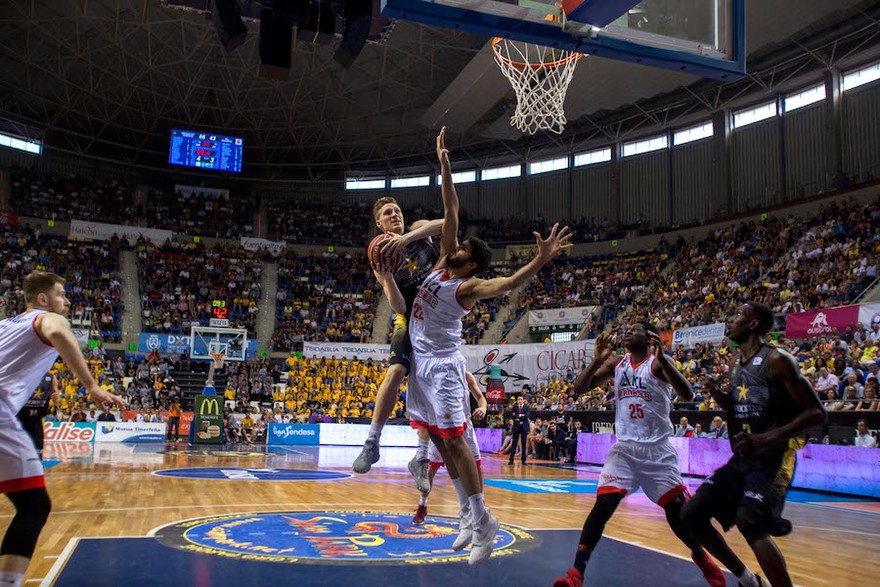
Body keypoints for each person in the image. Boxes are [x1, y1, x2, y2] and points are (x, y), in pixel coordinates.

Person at [406, 126, 571, 565]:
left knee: (457, 443)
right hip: (421, 366)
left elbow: (511, 282)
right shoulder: (442, 262)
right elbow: (452, 206)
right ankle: (466, 513)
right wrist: (443, 164)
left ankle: (484, 521)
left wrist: (541, 257)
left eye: (460, 247)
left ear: (471, 261)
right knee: (439, 443)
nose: (453, 245)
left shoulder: (470, 286)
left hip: (442, 367)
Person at [554, 325, 726, 587]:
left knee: (677, 514)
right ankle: (576, 574)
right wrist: (596, 360)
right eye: (626, 328)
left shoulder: (657, 365)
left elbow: (688, 394)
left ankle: (701, 557)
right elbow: (578, 389)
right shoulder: (617, 363)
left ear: (648, 338)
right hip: (625, 450)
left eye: (634, 330)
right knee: (603, 506)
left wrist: (666, 360)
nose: (626, 332)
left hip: (657, 451)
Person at [681, 302, 826, 587]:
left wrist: (764, 438)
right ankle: (747, 579)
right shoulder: (736, 364)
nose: (730, 319)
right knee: (691, 513)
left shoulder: (777, 359)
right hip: (743, 459)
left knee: (749, 522)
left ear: (753, 325)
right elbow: (737, 409)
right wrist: (718, 395)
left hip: (774, 458)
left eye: (737, 315)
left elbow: (817, 414)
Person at [0, 271, 127, 587]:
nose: (68, 301)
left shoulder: (5, 326)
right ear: (42, 299)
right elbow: (57, 330)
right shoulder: (46, 318)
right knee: (34, 506)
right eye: (61, 294)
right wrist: (92, 386)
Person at [352, 195, 444, 495]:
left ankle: (420, 457)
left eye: (397, 211)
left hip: (437, 318)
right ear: (379, 223)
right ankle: (372, 442)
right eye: (388, 213)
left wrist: (406, 238)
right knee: (394, 372)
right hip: (409, 317)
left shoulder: (418, 228)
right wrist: (388, 278)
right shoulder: (380, 256)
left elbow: (447, 225)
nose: (395, 215)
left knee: (428, 387)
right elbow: (399, 306)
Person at [413, 372, 487, 530]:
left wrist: (483, 407)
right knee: (431, 468)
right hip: (442, 424)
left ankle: (479, 504)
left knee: (477, 465)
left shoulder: (466, 376)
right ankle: (422, 505)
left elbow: (480, 397)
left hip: (465, 423)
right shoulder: (435, 374)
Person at [16, 374, 59, 457]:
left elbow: (57, 399)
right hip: (19, 420)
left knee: (37, 456)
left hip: (36, 420)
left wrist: (56, 397)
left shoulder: (51, 377)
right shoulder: (21, 373)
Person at [508, 395, 530, 465]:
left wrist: (518, 417)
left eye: (521, 399)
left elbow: (526, 415)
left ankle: (523, 460)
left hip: (524, 426)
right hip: (516, 426)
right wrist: (520, 416)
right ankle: (511, 459)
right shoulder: (514, 406)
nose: (520, 401)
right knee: (514, 443)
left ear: (523, 400)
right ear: (517, 401)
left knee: (523, 444)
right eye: (518, 399)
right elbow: (512, 415)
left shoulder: (526, 407)